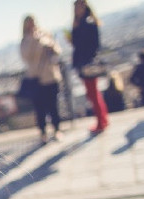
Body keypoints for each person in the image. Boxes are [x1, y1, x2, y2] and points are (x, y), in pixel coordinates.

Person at [20, 15, 63, 144]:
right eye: (29, 23)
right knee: (40, 109)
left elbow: (57, 50)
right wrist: (33, 40)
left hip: (50, 75)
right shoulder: (25, 40)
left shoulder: (45, 34)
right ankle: (43, 133)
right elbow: (26, 56)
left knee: (53, 106)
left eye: (33, 22)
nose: (32, 25)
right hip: (36, 78)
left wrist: (49, 44)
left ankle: (57, 130)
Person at [71, 0, 109, 133]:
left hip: (86, 63)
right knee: (93, 93)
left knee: (92, 93)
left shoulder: (86, 23)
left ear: (85, 6)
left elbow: (87, 45)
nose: (77, 9)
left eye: (79, 6)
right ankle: (103, 120)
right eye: (75, 6)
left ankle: (101, 122)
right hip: (86, 62)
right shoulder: (85, 22)